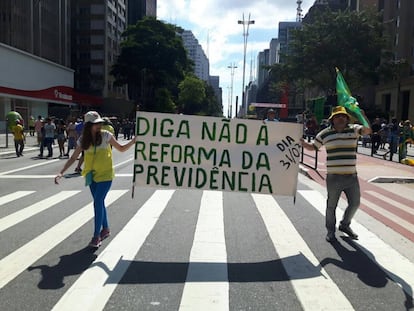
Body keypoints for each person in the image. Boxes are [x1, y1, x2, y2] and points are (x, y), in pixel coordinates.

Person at [54, 111, 136, 248]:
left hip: (105, 175)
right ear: (88, 125)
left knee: (97, 202)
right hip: (91, 175)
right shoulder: (83, 140)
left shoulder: (106, 135)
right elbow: (74, 157)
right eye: (95, 124)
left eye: (99, 123)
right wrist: (61, 172)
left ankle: (96, 236)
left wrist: (133, 141)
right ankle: (106, 229)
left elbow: (121, 149)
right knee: (99, 202)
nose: (99, 126)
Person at [301, 106, 372, 242]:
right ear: (332, 119)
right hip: (334, 177)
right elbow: (314, 147)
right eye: (337, 116)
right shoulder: (324, 134)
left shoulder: (354, 129)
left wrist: (362, 116)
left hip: (351, 176)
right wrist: (303, 144)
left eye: (343, 116)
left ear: (347, 119)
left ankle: (345, 225)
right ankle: (330, 231)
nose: (341, 118)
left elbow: (367, 130)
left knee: (355, 203)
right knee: (331, 205)